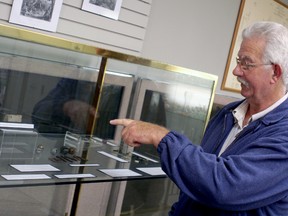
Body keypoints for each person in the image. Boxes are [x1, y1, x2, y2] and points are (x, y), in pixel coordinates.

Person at [110, 21, 288, 215]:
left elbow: (225, 186)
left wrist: (161, 136)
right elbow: (196, 186)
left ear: (275, 73)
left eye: (246, 63)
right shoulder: (227, 114)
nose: (236, 71)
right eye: (238, 61)